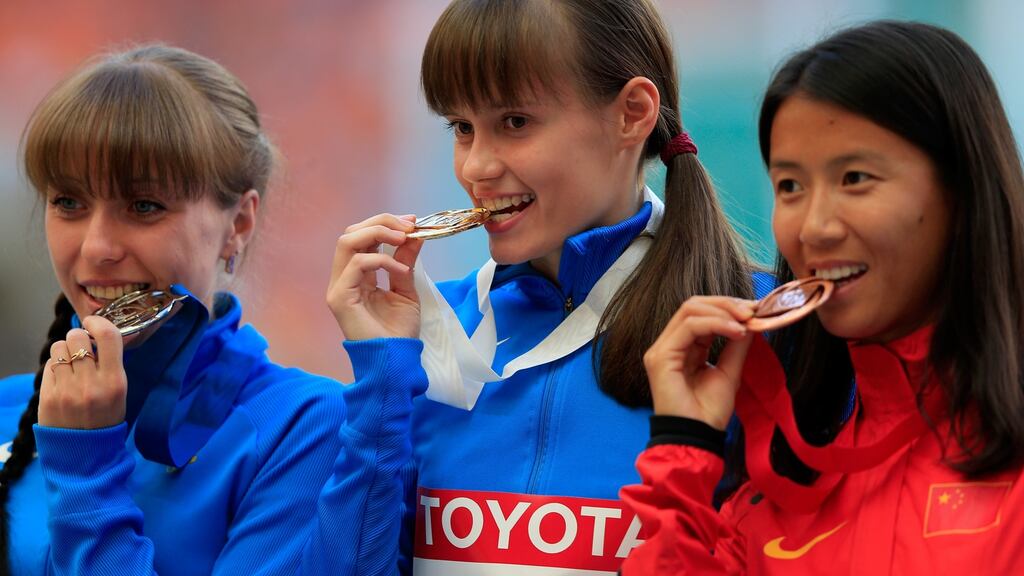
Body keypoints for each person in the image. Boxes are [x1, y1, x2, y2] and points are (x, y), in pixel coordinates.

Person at [308, 1, 772, 574]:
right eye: (462, 127)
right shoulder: (424, 332)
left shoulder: (751, 331)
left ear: (632, 113)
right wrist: (382, 380)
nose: (476, 167)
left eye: (515, 122)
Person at [620, 20, 1024, 574]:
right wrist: (684, 445)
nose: (814, 227)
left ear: (962, 190)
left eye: (855, 177)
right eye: (790, 186)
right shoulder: (775, 496)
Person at [0, 45, 346, 575]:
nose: (96, 248)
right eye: (68, 202)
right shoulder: (7, 407)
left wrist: (85, 468)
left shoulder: (302, 427)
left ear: (238, 224)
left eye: (144, 206)